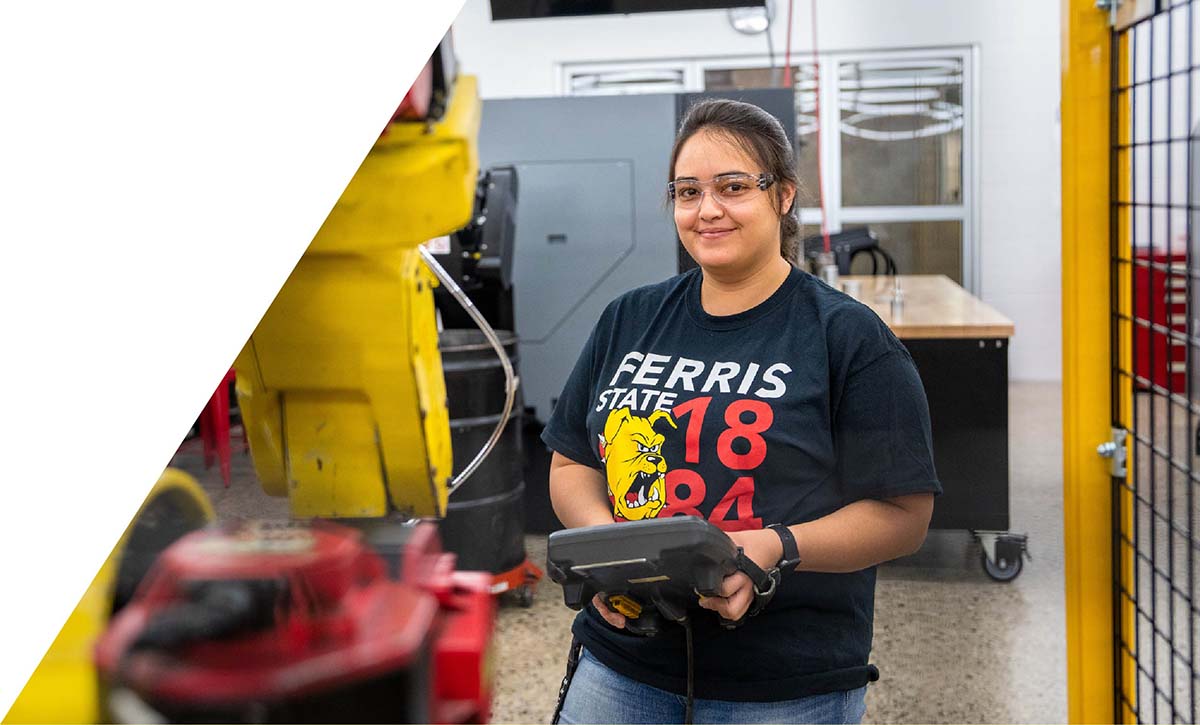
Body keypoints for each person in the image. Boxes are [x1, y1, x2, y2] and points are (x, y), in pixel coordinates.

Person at [541, 98, 941, 725]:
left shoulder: (848, 338)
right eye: (687, 191)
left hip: (783, 681)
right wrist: (604, 551)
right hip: (624, 664)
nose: (707, 210)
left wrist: (775, 546)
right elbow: (572, 464)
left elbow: (904, 516)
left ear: (782, 195)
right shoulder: (630, 318)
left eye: (732, 187)